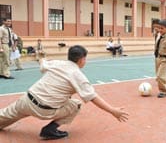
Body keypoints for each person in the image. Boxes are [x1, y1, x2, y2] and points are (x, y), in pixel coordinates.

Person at [0, 45, 129, 140]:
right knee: (76, 104)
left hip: (26, 100)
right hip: (44, 109)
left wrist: (42, 58)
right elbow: (93, 97)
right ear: (81, 60)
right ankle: (49, 130)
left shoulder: (57, 63)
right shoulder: (78, 76)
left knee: (5, 115)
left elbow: (43, 63)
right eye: (85, 58)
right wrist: (113, 111)